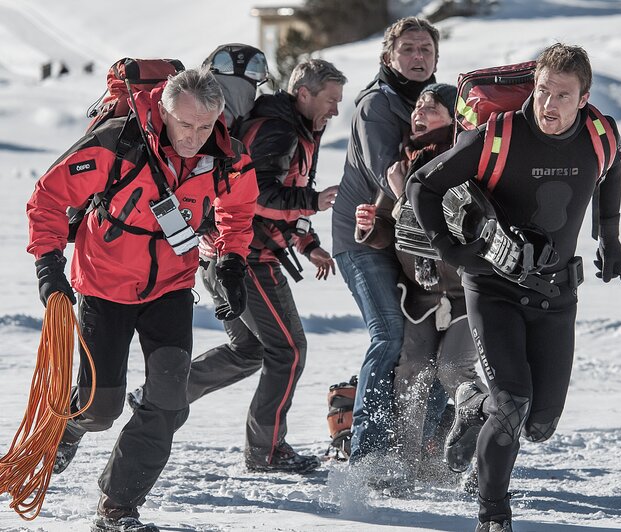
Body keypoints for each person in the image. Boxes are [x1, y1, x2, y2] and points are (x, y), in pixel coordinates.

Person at [407, 44, 621, 531]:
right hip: (494, 289)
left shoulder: (599, 134)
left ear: (584, 98)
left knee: (540, 424)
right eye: (543, 91)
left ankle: (471, 405)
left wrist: (609, 239)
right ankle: (493, 514)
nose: (549, 105)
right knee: (511, 404)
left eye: (562, 96)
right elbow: (424, 186)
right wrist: (449, 249)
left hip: (557, 296)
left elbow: (611, 170)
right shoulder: (501, 135)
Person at [27, 66, 258, 532]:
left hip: (171, 287)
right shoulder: (118, 142)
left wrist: (232, 260)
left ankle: (118, 505)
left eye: (206, 126)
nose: (194, 137)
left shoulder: (227, 154)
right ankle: (68, 427)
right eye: (185, 125)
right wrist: (48, 267)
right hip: (103, 285)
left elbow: (239, 207)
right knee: (100, 407)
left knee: (170, 400)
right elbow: (47, 198)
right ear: (163, 112)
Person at [185, 53, 346, 474]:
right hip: (247, 259)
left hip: (230, 255)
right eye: (331, 99)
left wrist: (307, 242)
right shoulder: (279, 129)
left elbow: (277, 197)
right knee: (289, 351)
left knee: (249, 349)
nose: (336, 109)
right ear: (304, 93)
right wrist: (313, 202)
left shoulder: (287, 127)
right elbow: (256, 195)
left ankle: (162, 395)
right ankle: (267, 451)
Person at [354, 83, 486, 490]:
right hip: (421, 295)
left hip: (466, 293)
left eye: (433, 106)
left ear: (454, 118)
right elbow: (391, 232)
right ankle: (411, 465)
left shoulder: (463, 162)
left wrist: (401, 200)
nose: (420, 110)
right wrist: (371, 226)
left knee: (452, 368)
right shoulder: (401, 164)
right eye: (419, 105)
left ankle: (487, 453)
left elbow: (451, 225)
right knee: (411, 370)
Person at [331, 16, 441, 463]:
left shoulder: (439, 101)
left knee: (429, 338)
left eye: (426, 50)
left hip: (411, 239)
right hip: (364, 235)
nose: (418, 57)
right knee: (390, 334)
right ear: (388, 56)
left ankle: (420, 442)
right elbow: (390, 173)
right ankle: (368, 451)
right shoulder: (376, 104)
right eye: (409, 49)